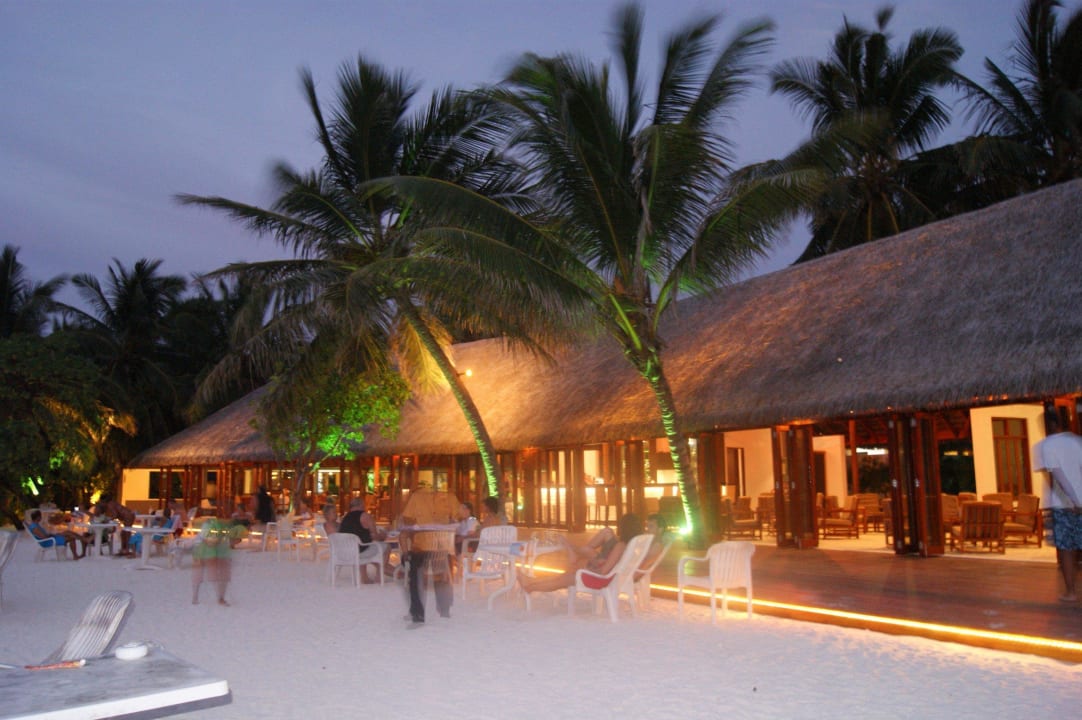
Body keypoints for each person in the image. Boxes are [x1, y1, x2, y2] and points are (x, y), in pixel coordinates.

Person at [518, 513, 642, 595]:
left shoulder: (621, 546)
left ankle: (530, 586)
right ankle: (530, 583)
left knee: (562, 580)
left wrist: (589, 568)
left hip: (601, 580)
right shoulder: (632, 544)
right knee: (564, 577)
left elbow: (604, 571)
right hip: (607, 577)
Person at [1032, 409, 1082, 603]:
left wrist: (1073, 500)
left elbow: (1056, 476)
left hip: (1064, 505)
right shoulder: (1077, 441)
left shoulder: (1045, 446)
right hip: (1076, 500)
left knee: (1066, 549)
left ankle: (1071, 591)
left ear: (1049, 425)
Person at [399, 487, 460, 624]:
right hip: (441, 550)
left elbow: (406, 523)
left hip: (421, 549)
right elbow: (458, 520)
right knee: (444, 568)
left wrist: (405, 553)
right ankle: (445, 609)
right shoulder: (449, 496)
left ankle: (417, 613)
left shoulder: (416, 497)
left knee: (413, 571)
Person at [192, 517, 235, 606]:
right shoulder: (216, 533)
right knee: (213, 578)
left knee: (198, 577)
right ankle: (219, 598)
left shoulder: (201, 535)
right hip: (209, 555)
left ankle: (195, 598)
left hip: (202, 555)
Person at [339, 498, 384, 582]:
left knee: (362, 544)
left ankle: (364, 577)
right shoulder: (365, 516)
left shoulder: (344, 518)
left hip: (346, 552)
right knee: (386, 547)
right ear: (361, 505)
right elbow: (375, 537)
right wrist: (383, 535)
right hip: (360, 552)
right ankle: (379, 577)